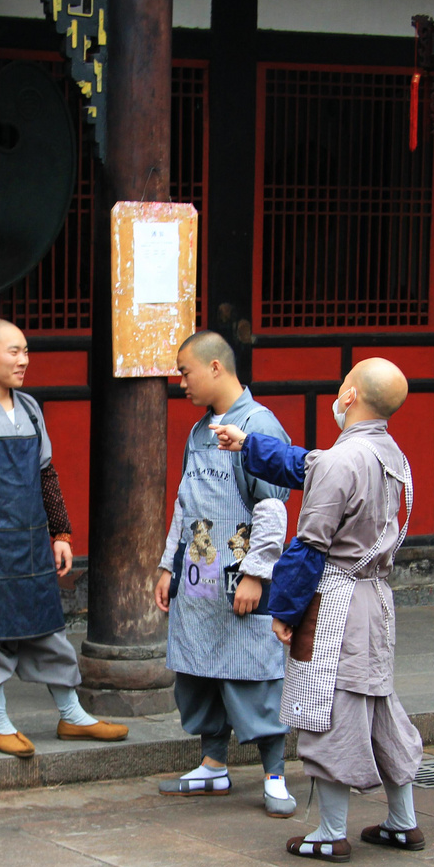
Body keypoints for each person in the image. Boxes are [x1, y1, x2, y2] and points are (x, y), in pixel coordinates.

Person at [214, 358, 424, 862]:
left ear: (349, 396)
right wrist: (249, 444)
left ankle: (331, 831)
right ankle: (402, 820)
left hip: (337, 600)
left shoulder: (341, 461)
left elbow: (310, 545)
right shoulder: (393, 455)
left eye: (341, 386)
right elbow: (309, 463)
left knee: (326, 710)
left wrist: (285, 610)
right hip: (376, 599)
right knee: (377, 705)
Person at [0, 318, 127, 757]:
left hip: (32, 543)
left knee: (47, 629)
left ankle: (72, 715)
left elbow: (45, 474)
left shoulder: (31, 409)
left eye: (26, 351)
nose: (24, 360)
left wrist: (61, 533)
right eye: (13, 351)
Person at [152, 331, 295, 817]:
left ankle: (274, 773)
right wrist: (167, 565)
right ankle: (213, 763)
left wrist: (256, 574)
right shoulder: (198, 432)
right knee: (197, 671)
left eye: (185, 370)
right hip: (198, 573)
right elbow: (184, 505)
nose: (181, 381)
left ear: (216, 367)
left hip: (238, 571)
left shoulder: (259, 426)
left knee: (253, 671)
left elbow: (273, 508)